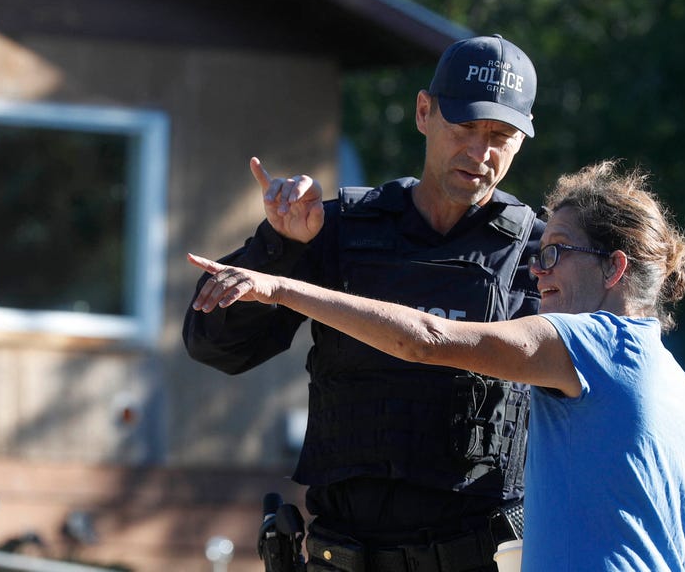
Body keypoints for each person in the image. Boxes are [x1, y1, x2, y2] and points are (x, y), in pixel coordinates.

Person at [187, 160, 685, 571]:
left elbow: (427, 339)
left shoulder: (592, 342)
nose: (538, 272)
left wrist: (280, 287)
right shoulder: (676, 387)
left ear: (614, 268)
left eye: (555, 251)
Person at [184, 34, 545, 570]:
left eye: (501, 134)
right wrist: (280, 246)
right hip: (341, 556)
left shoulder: (544, 256)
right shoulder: (339, 231)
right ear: (424, 112)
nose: (480, 151)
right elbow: (215, 346)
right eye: (464, 126)